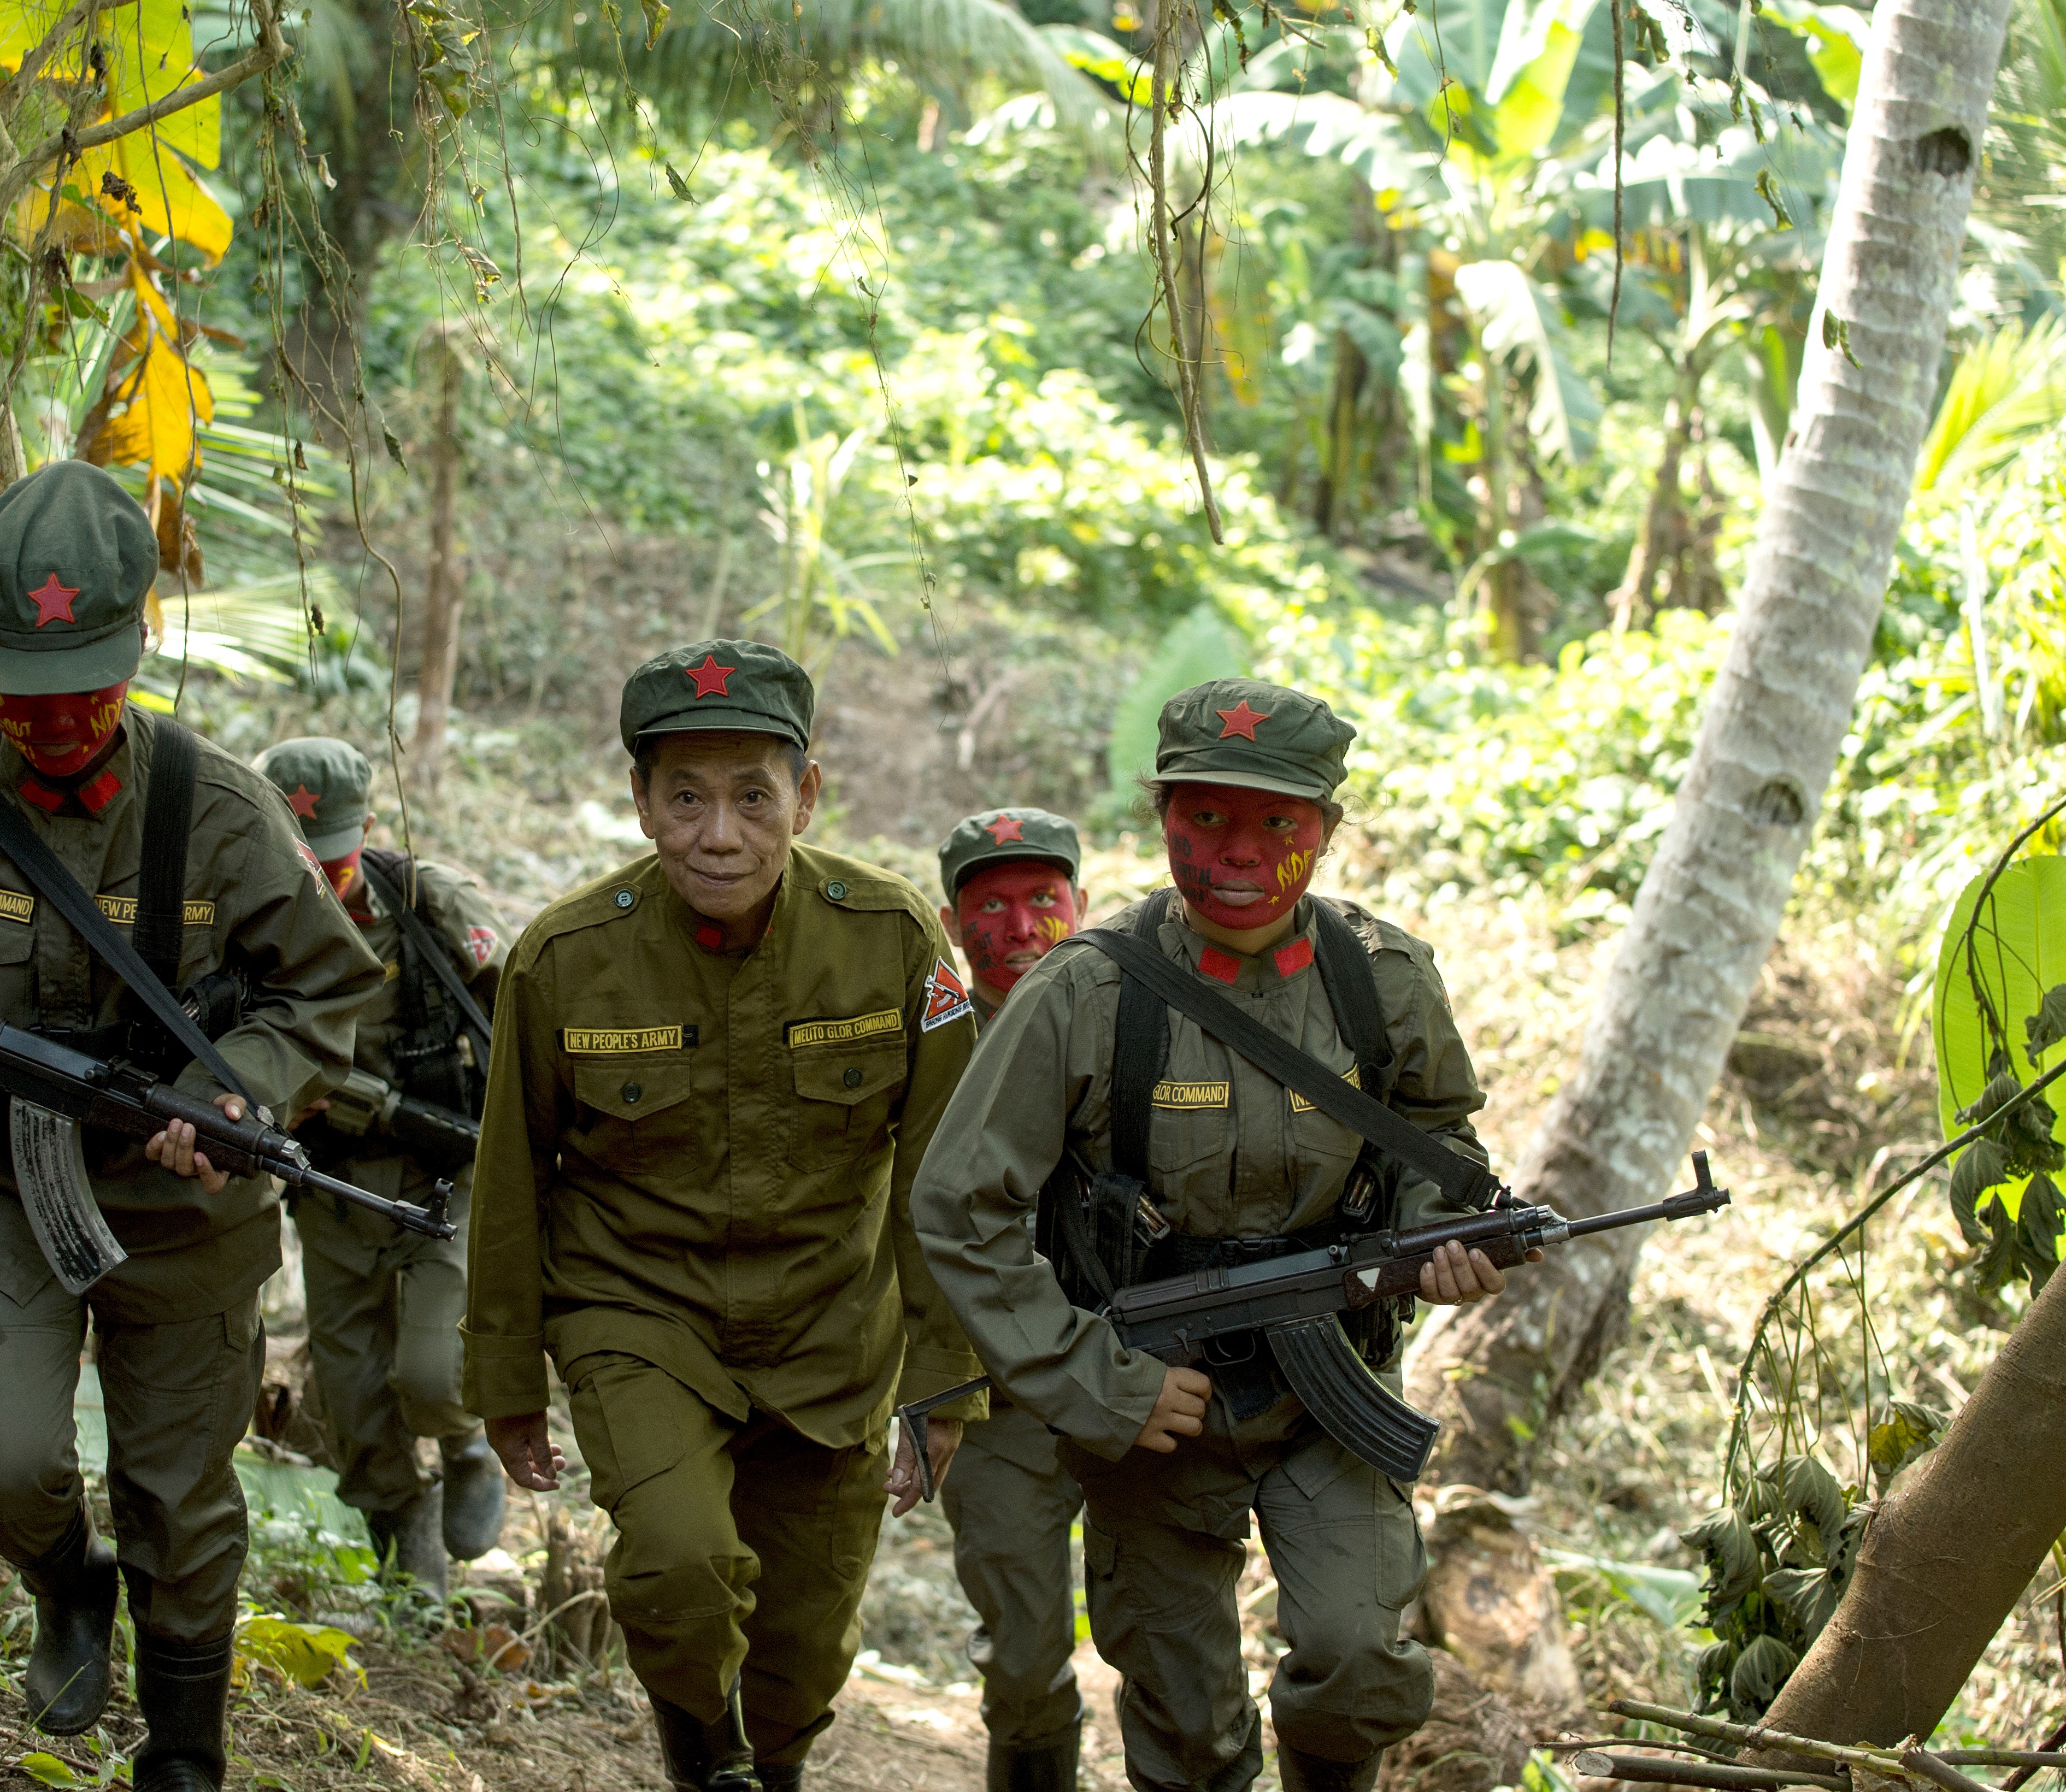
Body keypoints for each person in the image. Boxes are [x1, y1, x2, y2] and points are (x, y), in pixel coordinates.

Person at [0, 462, 382, 1792]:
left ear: (138, 644)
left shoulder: (216, 806)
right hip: (2, 1178)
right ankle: (65, 1577)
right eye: (18, 693)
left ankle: (185, 1756)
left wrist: (236, 1092)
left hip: (191, 1207)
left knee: (180, 1498)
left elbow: (326, 984)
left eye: (84, 688)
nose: (51, 721)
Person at [911, 679, 1528, 1792]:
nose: (1237, 850)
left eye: (1276, 823)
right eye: (1205, 818)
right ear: (1163, 820)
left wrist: (1443, 1240)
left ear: (1327, 831)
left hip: (1325, 1388)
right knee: (1186, 1727)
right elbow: (962, 1205)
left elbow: (1437, 1144)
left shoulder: (1380, 980)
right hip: (1156, 1405)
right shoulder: (1086, 990)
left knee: (1356, 1658)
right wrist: (1094, 1378)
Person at [463, 639, 990, 1792]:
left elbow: (940, 1178)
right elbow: (511, 1182)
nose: (720, 832)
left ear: (806, 793)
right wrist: (505, 1381)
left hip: (831, 1330)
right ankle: (706, 1759)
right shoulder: (562, 959)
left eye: (754, 795)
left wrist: (943, 1375)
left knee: (802, 1653)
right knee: (680, 1568)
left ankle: (772, 1759)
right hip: (636, 1312)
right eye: (687, 797)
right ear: (640, 800)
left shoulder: (897, 941)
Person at [252, 736, 510, 1594]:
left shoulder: (423, 900)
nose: (322, 884)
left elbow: (519, 1003)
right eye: (303, 865)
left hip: (442, 1172)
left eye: (336, 863)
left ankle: (471, 1444)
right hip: (333, 1189)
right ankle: (409, 1557)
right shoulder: (248, 913)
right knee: (356, 1403)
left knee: (435, 1376)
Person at [930, 807, 1091, 1792]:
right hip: (997, 1398)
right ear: (953, 923)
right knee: (1026, 1657)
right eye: (990, 904)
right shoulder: (927, 1048)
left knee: (1168, 1651)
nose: (1021, 926)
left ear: (1084, 905)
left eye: (1044, 899)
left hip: (1146, 1368)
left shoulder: (1136, 1018)